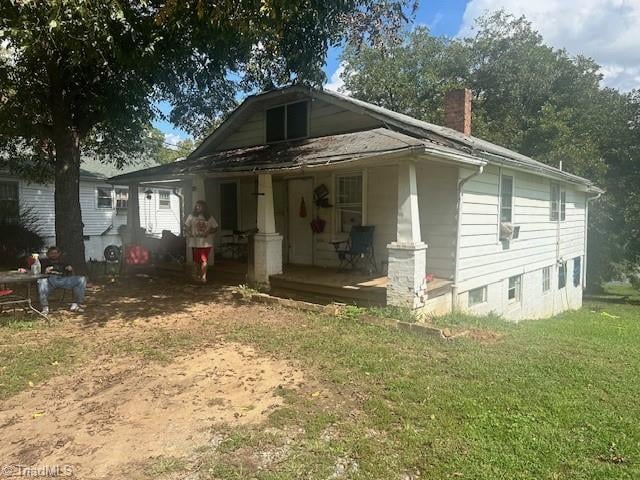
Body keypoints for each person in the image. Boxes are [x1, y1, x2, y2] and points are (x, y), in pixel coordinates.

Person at [37, 246, 87, 315]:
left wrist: (70, 269)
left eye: (56, 253)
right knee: (41, 282)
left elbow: (71, 272)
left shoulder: (63, 261)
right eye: (52, 253)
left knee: (81, 279)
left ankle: (76, 304)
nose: (54, 255)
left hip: (63, 280)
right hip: (50, 280)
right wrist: (45, 271)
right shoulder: (44, 262)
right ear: (48, 254)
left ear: (59, 254)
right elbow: (38, 273)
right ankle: (45, 307)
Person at [184, 200, 218, 283]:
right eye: (196, 206)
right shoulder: (191, 216)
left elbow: (215, 227)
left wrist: (208, 232)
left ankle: (203, 277)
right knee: (195, 261)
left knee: (204, 260)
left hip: (206, 243)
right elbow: (186, 226)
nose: (197, 208)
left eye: (199, 206)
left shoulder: (209, 217)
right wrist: (189, 233)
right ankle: (195, 276)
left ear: (204, 207)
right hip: (195, 242)